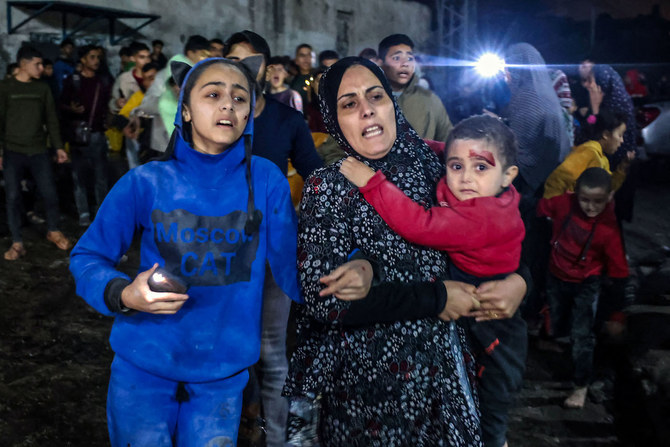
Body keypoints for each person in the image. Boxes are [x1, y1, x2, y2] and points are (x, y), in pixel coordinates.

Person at [285, 57, 528, 446]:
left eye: (375, 95)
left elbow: (497, 231)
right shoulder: (327, 187)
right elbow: (323, 301)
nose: (366, 109)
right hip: (370, 387)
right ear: (333, 119)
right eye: (349, 103)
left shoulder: (440, 165)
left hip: (447, 371)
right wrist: (436, 297)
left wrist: (520, 281)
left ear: (391, 103)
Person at [69, 56, 302, 446]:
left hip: (222, 377)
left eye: (240, 98)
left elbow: (295, 268)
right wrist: (123, 294)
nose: (228, 105)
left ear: (249, 115)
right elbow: (87, 257)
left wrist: (355, 268)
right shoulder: (146, 181)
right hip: (143, 367)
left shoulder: (266, 180)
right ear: (187, 111)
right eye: (213, 94)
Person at [340, 114, 527, 447]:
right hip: (474, 290)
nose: (466, 177)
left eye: (481, 168)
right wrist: (418, 145)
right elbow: (445, 151)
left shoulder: (481, 216)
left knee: (492, 396)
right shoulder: (484, 187)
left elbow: (419, 225)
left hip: (492, 320)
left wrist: (371, 182)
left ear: (508, 176)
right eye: (456, 166)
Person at [224, 30, 322, 447]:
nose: (243, 70)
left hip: (271, 255)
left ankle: (276, 438)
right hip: (218, 256)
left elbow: (316, 177)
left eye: (253, 62)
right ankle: (230, 430)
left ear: (268, 68)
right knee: (225, 349)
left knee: (271, 352)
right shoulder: (213, 120)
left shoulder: (287, 121)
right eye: (234, 60)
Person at [537, 167, 629, 409]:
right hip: (555, 274)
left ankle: (581, 385)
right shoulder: (563, 204)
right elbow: (536, 208)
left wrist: (617, 315)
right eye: (585, 200)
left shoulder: (609, 231)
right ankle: (548, 337)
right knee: (555, 315)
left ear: (609, 197)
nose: (590, 207)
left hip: (586, 284)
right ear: (575, 193)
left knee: (581, 334)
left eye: (598, 201)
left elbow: (620, 274)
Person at [503, 43, 570, 321]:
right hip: (548, 183)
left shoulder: (527, 98)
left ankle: (525, 305)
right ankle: (536, 304)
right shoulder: (544, 95)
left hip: (528, 185)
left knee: (524, 248)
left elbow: (518, 149)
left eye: (509, 67)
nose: (506, 74)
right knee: (538, 248)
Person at [0, 46, 72, 260]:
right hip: (13, 151)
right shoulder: (5, 88)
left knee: (49, 192)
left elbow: (51, 119)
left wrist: (58, 147)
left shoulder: (43, 89)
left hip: (39, 150)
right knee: (12, 197)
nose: (41, 68)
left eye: (42, 64)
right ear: (23, 64)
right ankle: (17, 242)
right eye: (37, 64)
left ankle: (53, 230)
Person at [60, 45, 112, 227]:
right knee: (79, 177)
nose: (96, 61)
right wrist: (71, 109)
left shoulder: (103, 82)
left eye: (98, 57)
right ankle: (83, 213)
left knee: (101, 177)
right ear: (82, 60)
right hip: (78, 137)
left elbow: (108, 105)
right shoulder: (73, 81)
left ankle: (100, 213)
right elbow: (61, 105)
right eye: (92, 57)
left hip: (98, 134)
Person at [579, 61, 637, 223]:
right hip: (614, 168)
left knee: (609, 221)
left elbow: (587, 134)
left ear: (604, 83)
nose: (588, 85)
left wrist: (594, 109)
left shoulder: (613, 109)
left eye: (592, 80)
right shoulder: (614, 99)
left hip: (615, 168)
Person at [544, 109, 633, 199]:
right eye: (620, 135)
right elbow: (559, 178)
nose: (622, 141)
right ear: (605, 134)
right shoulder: (589, 152)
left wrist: (622, 168)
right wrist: (553, 207)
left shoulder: (602, 157)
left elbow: (607, 187)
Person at [378, 34, 453, 141]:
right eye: (397, 58)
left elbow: (447, 141)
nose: (405, 64)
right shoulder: (367, 101)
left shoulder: (430, 100)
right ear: (381, 64)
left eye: (409, 58)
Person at [109, 41, 152, 114]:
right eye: (142, 57)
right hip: (130, 120)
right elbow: (112, 102)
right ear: (132, 58)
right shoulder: (123, 78)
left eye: (148, 57)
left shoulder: (157, 78)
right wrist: (117, 103)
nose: (146, 61)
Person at [289, 44, 315, 114]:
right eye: (302, 55)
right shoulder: (292, 80)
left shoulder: (318, 77)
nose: (306, 59)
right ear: (296, 60)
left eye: (309, 55)